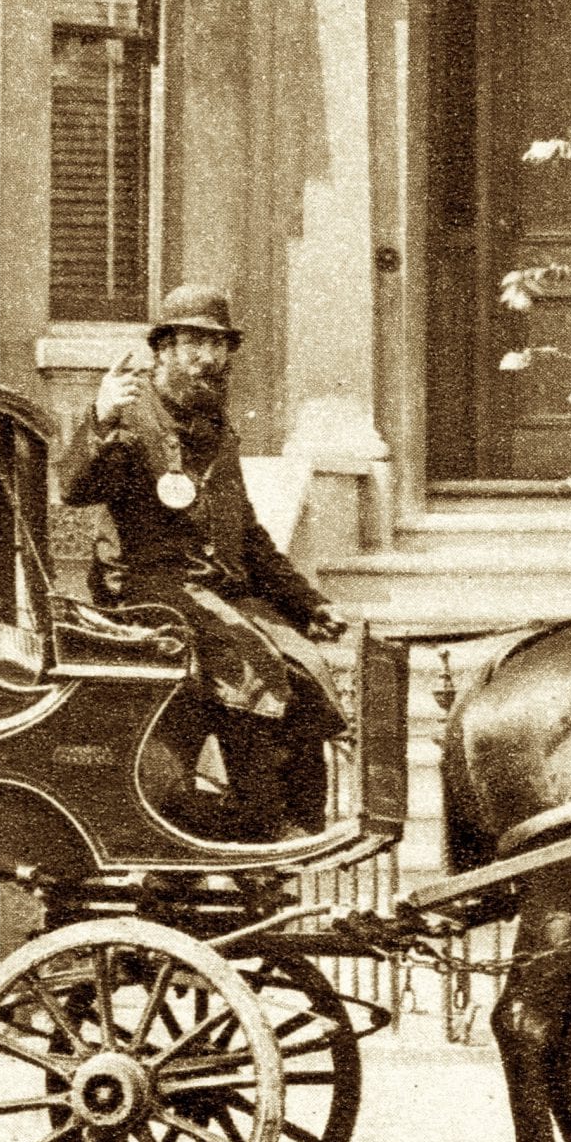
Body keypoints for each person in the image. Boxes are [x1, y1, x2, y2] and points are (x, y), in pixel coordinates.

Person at [58, 283, 349, 841]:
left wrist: (308, 602)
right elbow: (75, 488)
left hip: (217, 593)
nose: (208, 359)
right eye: (194, 343)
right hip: (146, 591)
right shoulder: (130, 415)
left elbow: (250, 536)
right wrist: (98, 418)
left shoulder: (215, 428)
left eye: (218, 346)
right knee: (252, 662)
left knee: (304, 666)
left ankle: (295, 825)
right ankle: (259, 825)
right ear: (163, 350)